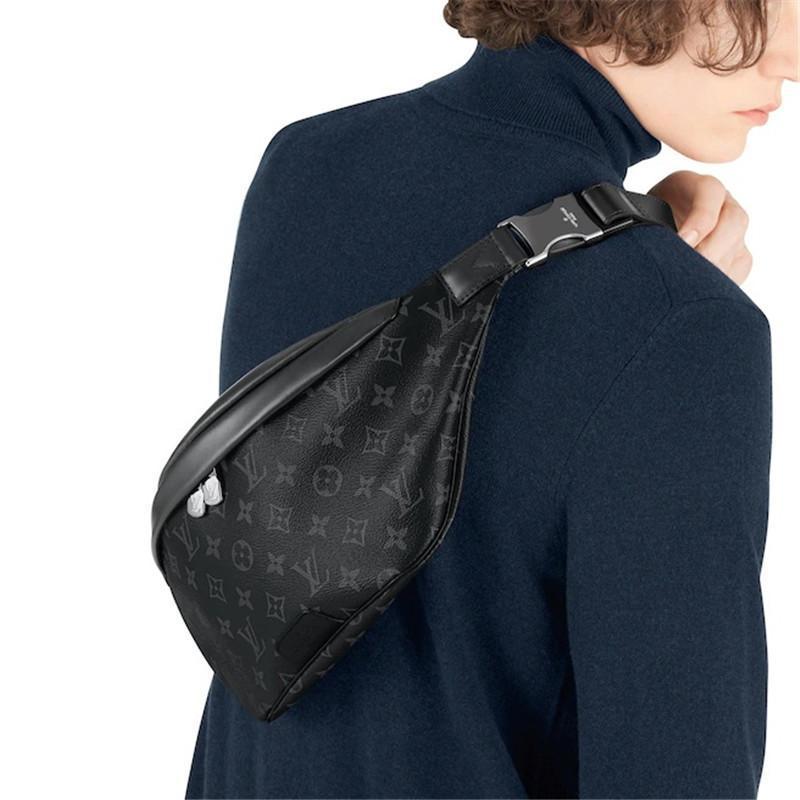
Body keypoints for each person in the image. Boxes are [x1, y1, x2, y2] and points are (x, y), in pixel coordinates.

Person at [185, 1, 797, 797]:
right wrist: (662, 291)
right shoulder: (678, 322)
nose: (793, 55)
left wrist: (636, 234)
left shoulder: (304, 166)